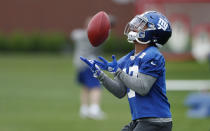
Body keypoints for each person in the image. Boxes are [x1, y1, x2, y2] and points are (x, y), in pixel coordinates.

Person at [80, 11, 173, 131]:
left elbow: (143, 88)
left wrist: (118, 72)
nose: (134, 26)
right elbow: (120, 91)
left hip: (157, 121)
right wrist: (100, 75)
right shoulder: (127, 59)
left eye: (142, 24)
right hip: (140, 121)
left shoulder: (153, 56)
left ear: (154, 34)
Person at [71, 17, 105, 120]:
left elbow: (74, 34)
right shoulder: (95, 36)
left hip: (79, 63)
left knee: (85, 86)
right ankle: (94, 109)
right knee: (96, 87)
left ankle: (84, 109)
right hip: (89, 64)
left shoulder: (79, 34)